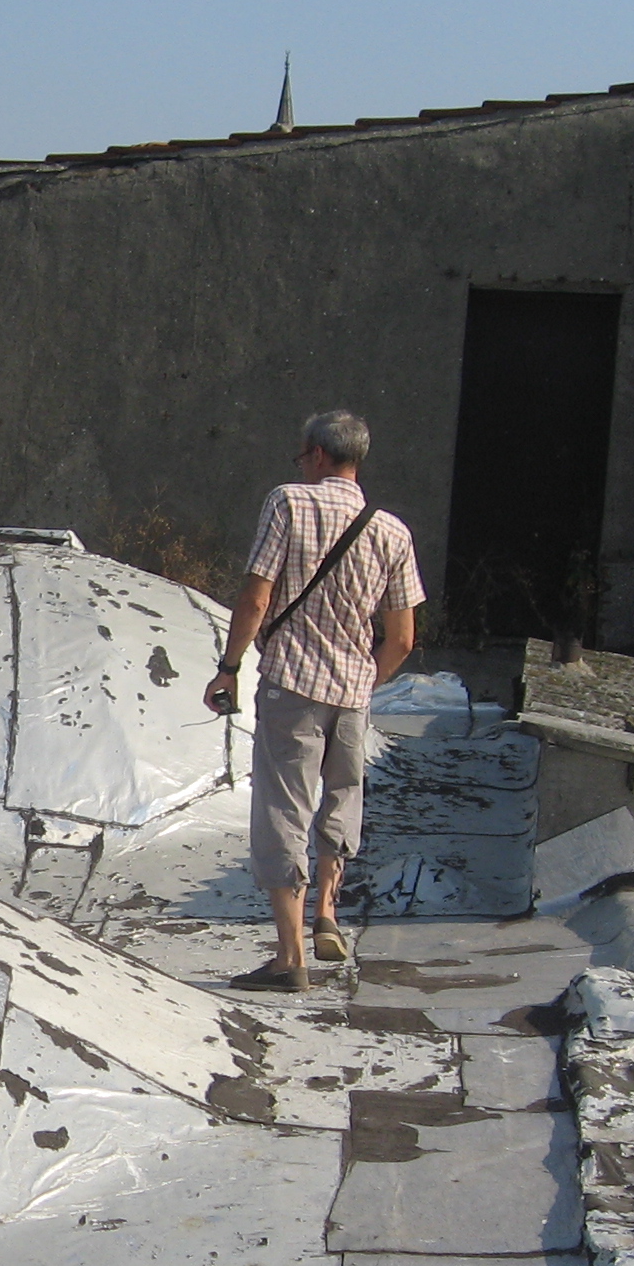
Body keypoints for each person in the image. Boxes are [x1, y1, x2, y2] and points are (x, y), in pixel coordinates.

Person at [204, 411, 424, 992]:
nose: (300, 464)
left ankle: (290, 956)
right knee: (343, 796)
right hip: (352, 692)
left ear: (319, 455)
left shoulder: (288, 503)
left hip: (293, 685)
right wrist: (363, 681)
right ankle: (328, 909)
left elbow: (257, 598)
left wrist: (230, 667)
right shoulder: (393, 531)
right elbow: (402, 639)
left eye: (302, 455)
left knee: (284, 809)